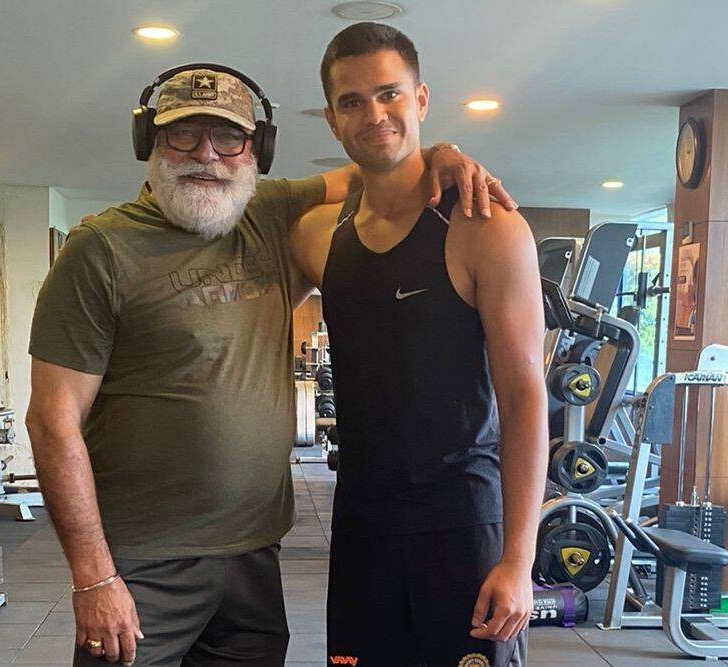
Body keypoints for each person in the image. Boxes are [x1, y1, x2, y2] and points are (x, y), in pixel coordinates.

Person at [25, 65, 515, 666]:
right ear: (149, 141)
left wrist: (442, 154)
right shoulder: (100, 250)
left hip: (253, 557)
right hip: (144, 563)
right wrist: (94, 577)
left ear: (256, 150)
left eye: (228, 136)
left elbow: (374, 168)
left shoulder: (265, 211)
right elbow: (51, 422)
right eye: (183, 134)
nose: (207, 154)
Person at [288, 22, 549, 665]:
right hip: (362, 529)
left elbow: (524, 398)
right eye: (352, 102)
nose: (374, 114)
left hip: (463, 528)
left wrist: (519, 559)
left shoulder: (486, 228)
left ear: (421, 99)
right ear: (331, 120)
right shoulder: (317, 237)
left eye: (390, 94)